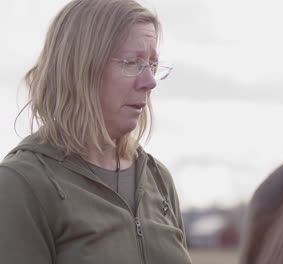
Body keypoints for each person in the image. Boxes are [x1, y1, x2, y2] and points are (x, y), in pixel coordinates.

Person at [0, 0, 192, 263]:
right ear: (80, 68)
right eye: (132, 62)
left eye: (152, 65)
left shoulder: (157, 179)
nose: (149, 82)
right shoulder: (22, 183)